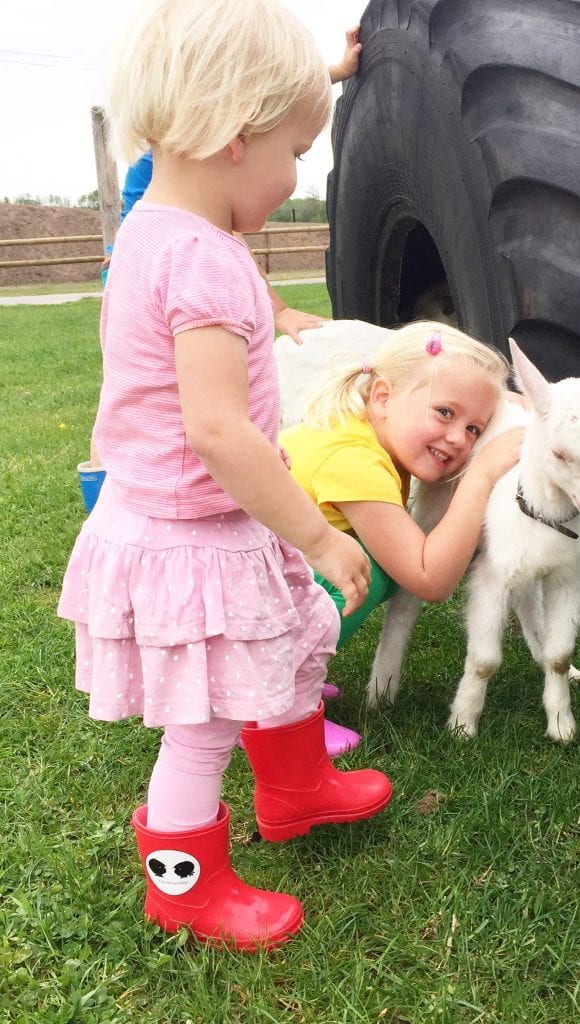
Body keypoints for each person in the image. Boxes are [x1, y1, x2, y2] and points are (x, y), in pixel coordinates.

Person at [58, 0, 392, 952]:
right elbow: (218, 431)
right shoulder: (204, 264)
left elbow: (236, 114)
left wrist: (317, 78)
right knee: (202, 722)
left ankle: (293, 791)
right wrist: (320, 533)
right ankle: (184, 886)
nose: (296, 179)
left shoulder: (151, 232)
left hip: (193, 519)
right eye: (295, 152)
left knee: (284, 645)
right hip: (194, 529)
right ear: (236, 137)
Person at [99, 25, 363, 346]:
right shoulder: (200, 249)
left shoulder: (171, 155)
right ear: (237, 134)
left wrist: (340, 69)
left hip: (133, 266)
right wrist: (278, 310)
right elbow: (268, 93)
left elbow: (269, 91)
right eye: (297, 154)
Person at [280, 321, 524, 652]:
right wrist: (480, 476)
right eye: (444, 412)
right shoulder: (352, 461)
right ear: (383, 397)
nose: (457, 438)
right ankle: (278, 674)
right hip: (235, 589)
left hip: (246, 574)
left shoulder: (363, 430)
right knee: (377, 567)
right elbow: (429, 578)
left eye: (474, 429)